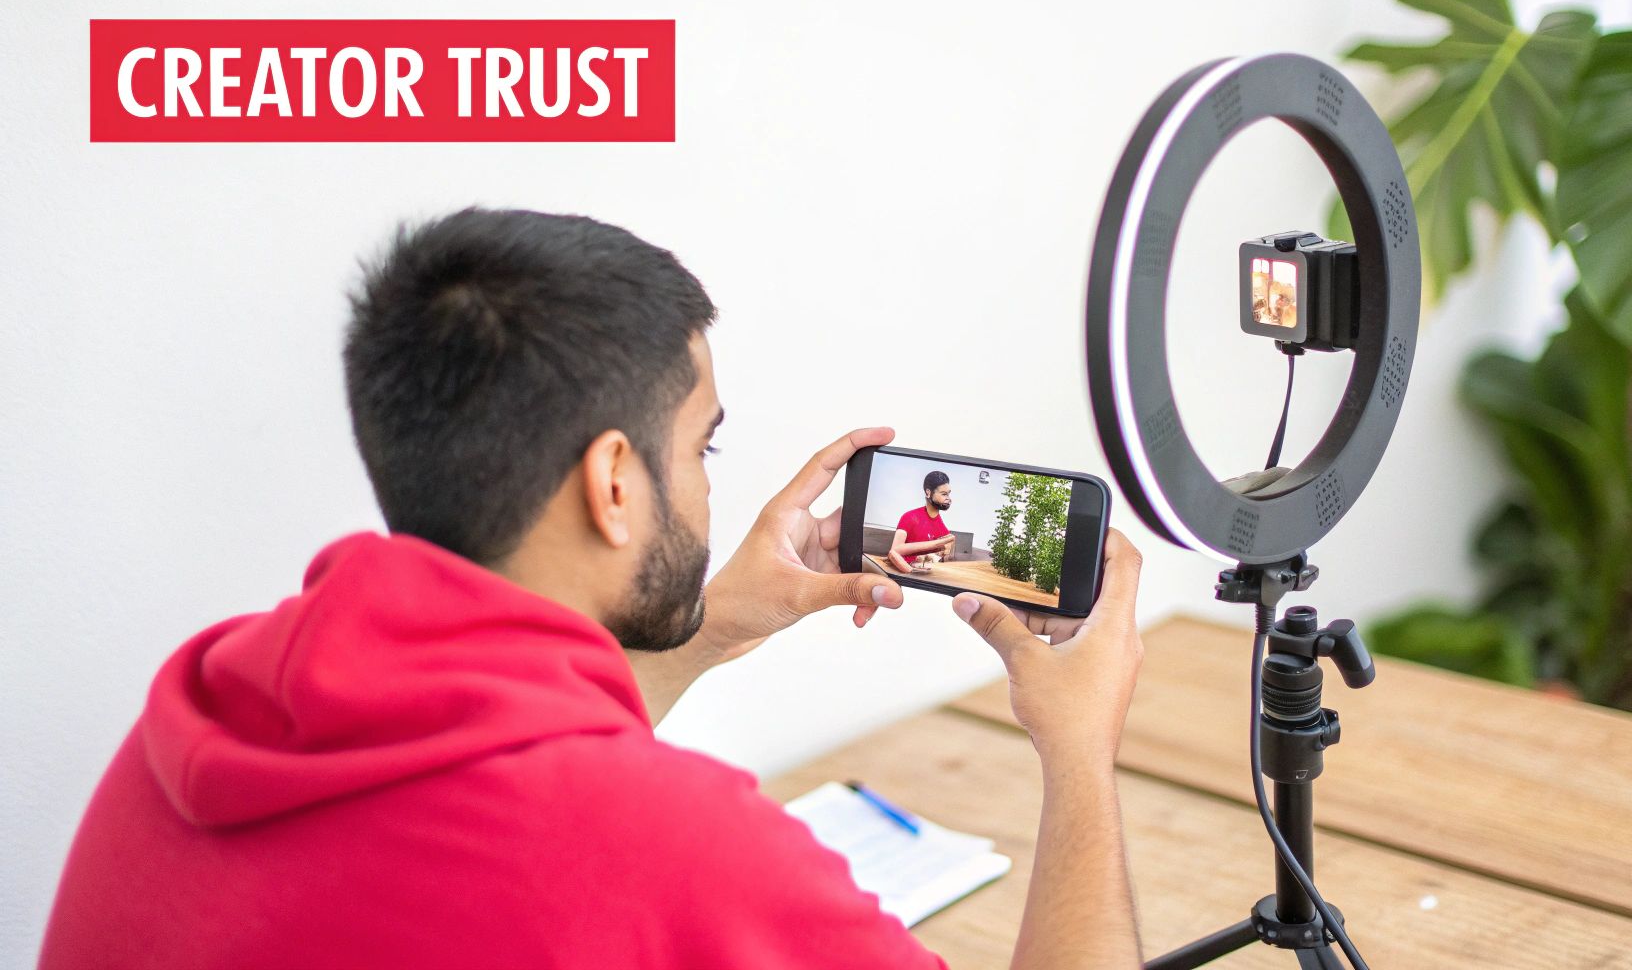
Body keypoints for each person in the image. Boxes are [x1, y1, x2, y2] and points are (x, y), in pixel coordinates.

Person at [39, 208, 1146, 970]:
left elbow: (503, 786)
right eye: (703, 450)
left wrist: (702, 634)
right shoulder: (678, 850)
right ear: (614, 482)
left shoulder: (198, 725)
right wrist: (1078, 745)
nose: (712, 496)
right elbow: (592, 839)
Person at [888, 470, 957, 573]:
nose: (948, 499)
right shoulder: (909, 517)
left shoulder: (944, 532)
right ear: (928, 493)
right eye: (943, 494)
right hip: (903, 574)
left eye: (948, 494)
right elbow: (894, 552)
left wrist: (946, 553)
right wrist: (912, 572)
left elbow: (942, 563)